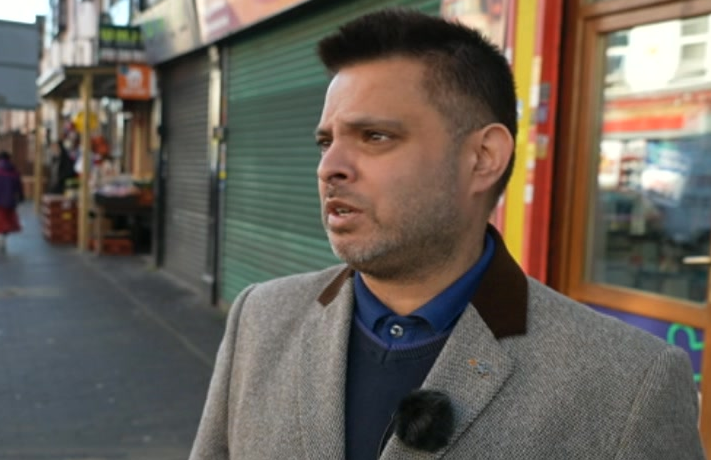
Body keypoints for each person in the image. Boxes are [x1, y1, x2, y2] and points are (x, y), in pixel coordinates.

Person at [189, 9, 704, 460]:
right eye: (326, 141)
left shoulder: (627, 382)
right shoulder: (261, 318)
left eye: (375, 136)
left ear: (482, 157)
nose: (331, 167)